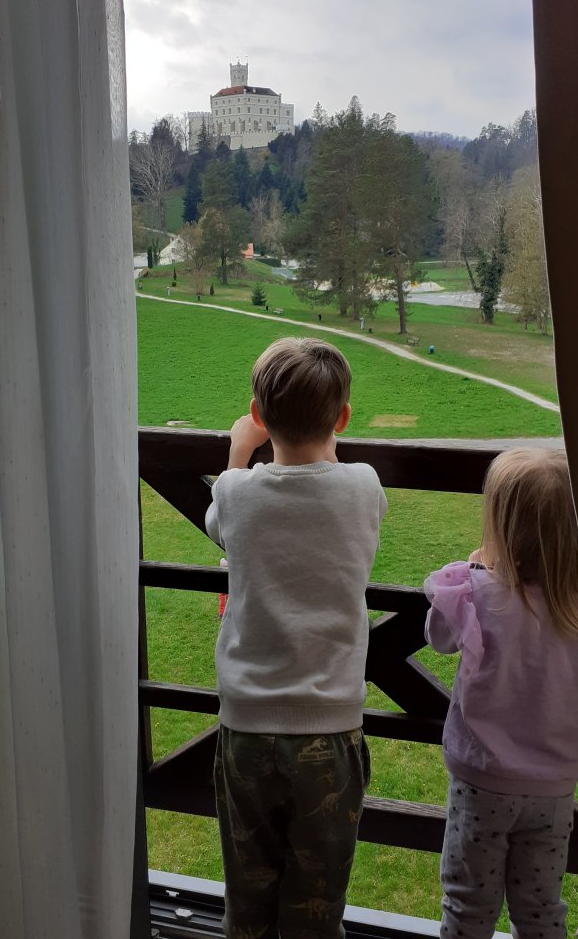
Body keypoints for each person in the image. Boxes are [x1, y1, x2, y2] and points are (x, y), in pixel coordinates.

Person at [206, 336, 388, 939]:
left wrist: (240, 451)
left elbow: (219, 523)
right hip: (330, 732)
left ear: (258, 417)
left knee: (248, 895)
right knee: (316, 905)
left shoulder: (236, 493)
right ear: (343, 418)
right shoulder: (363, 486)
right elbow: (327, 481)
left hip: (247, 729)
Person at [424, 448, 578, 939]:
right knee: (540, 910)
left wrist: (474, 568)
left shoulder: (475, 592)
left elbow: (438, 637)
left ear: (498, 525)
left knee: (468, 908)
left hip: (482, 782)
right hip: (553, 793)